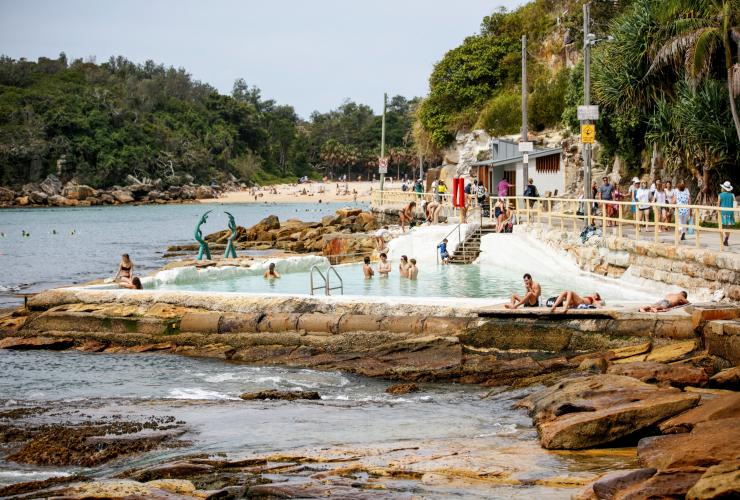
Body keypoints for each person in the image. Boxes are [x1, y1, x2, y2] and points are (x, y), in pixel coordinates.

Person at [719, 181, 735, 247]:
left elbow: (718, 204)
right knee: (729, 227)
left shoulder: (720, 195)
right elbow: (735, 203)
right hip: (730, 213)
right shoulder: (732, 195)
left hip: (723, 212)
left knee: (722, 226)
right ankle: (726, 239)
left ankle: (724, 238)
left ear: (723, 188)